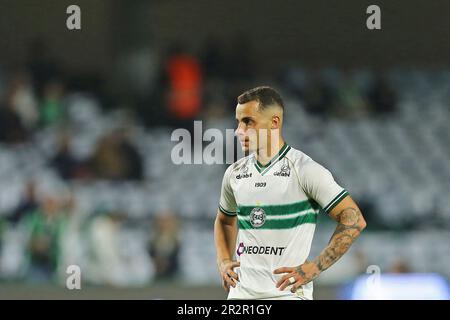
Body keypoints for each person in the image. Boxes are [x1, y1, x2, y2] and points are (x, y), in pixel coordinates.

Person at [214, 86, 367, 300]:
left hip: (287, 295)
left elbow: (354, 219)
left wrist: (315, 267)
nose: (239, 130)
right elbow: (224, 221)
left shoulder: (304, 169)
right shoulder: (235, 173)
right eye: (238, 122)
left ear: (274, 122)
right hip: (241, 295)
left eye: (248, 121)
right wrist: (223, 261)